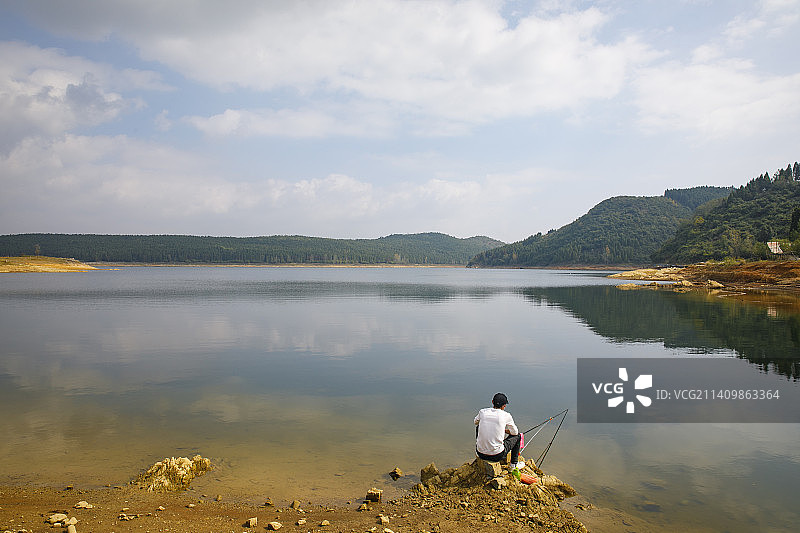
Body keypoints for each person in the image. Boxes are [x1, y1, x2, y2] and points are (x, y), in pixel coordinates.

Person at [474, 392, 525, 470]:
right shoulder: (506, 415)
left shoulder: (483, 412)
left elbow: (475, 422)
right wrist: (505, 430)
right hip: (497, 456)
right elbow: (515, 432)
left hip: (480, 453)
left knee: (478, 427)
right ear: (504, 406)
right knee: (518, 436)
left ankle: (481, 448)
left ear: (492, 402)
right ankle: (513, 465)